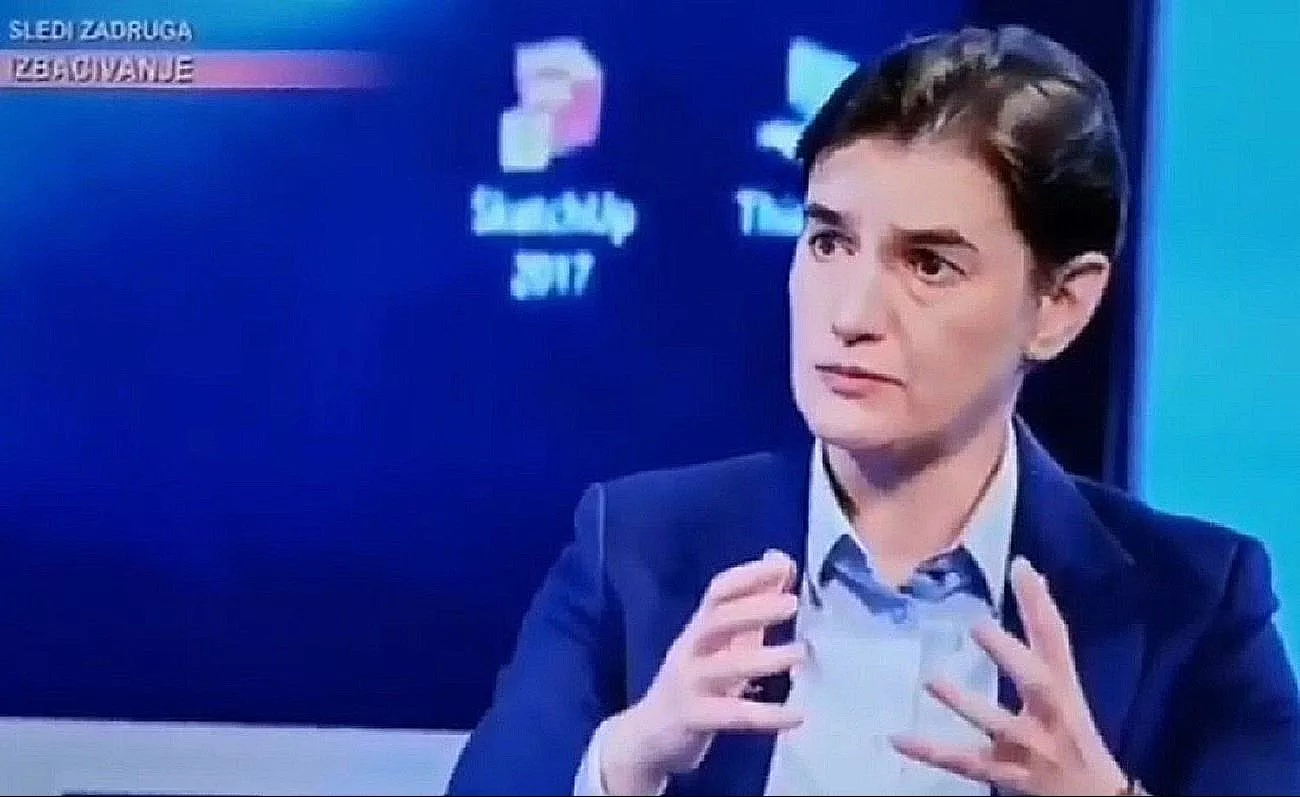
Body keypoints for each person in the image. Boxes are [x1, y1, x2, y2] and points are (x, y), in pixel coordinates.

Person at [447, 25, 1300, 796]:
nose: (851, 313)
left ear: (1059, 305)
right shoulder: (637, 553)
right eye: (829, 241)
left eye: (928, 264)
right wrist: (626, 762)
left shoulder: (1193, 604)